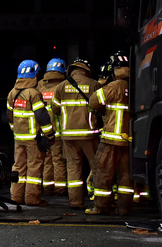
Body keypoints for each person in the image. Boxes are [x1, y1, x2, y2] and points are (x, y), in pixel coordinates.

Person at [86, 51, 134, 215]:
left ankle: (102, 207)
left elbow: (93, 102)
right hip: (129, 140)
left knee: (103, 174)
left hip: (110, 139)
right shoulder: (135, 87)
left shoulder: (112, 87)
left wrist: (102, 83)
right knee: (126, 177)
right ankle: (124, 208)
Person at [51, 58, 101, 209]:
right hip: (89, 134)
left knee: (73, 168)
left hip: (68, 135)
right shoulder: (94, 85)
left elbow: (55, 109)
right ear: (86, 70)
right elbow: (102, 108)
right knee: (97, 167)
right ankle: (99, 201)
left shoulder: (61, 87)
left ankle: (76, 202)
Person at [6, 60, 56, 206]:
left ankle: (16, 196)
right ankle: (33, 198)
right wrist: (50, 135)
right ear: (34, 74)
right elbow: (41, 115)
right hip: (34, 138)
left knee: (18, 166)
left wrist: (14, 130)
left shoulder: (12, 93)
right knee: (34, 167)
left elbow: (10, 116)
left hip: (19, 138)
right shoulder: (34, 93)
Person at [37, 58, 68, 196]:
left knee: (47, 160)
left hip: (43, 131)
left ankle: (48, 188)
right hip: (58, 131)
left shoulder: (40, 85)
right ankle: (60, 189)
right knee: (59, 161)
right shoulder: (64, 86)